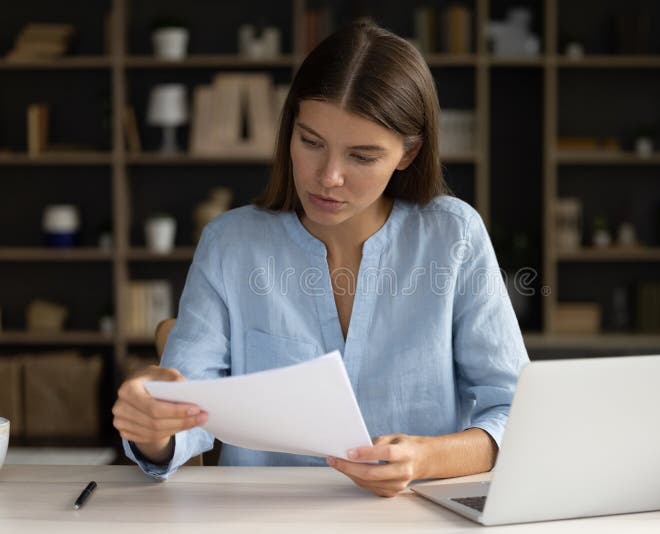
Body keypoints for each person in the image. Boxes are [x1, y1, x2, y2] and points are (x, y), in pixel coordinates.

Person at [113, 22, 528, 498]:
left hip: (416, 517)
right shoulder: (231, 244)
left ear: (408, 154)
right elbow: (186, 421)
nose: (328, 177)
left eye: (362, 156)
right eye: (311, 142)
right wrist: (152, 426)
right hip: (259, 520)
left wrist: (426, 457)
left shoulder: (453, 235)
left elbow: (516, 413)